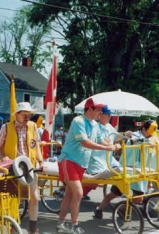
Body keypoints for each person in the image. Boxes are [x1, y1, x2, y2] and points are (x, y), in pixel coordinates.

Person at [55, 98, 121, 234]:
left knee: (69, 194)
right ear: (90, 109)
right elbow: (85, 142)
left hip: (81, 163)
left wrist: (111, 145)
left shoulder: (95, 124)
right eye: (98, 110)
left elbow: (99, 140)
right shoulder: (78, 121)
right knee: (78, 193)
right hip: (69, 160)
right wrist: (108, 148)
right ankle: (74, 226)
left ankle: (60, 224)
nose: (101, 112)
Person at [0, 102, 46, 234]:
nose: (27, 117)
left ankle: (32, 229)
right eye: (24, 115)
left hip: (30, 167)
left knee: (34, 197)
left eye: (29, 115)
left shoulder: (33, 127)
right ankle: (14, 227)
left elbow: (37, 146)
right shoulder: (6, 128)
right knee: (14, 199)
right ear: (16, 115)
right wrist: (3, 158)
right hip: (13, 168)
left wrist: (41, 162)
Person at [93, 119, 158, 219]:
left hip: (140, 170)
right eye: (149, 133)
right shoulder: (134, 135)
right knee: (115, 193)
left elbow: (155, 150)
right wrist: (134, 141)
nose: (150, 135)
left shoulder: (152, 137)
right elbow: (129, 144)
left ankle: (122, 208)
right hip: (127, 168)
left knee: (138, 199)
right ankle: (99, 208)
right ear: (144, 129)